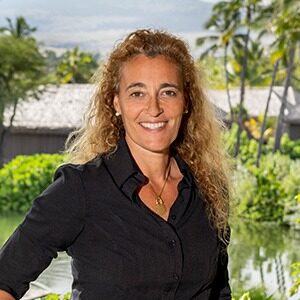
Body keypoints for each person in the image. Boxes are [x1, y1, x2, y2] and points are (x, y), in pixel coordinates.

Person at [0, 29, 231, 300]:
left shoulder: (209, 189)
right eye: (137, 93)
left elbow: (219, 291)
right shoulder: (80, 189)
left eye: (168, 92)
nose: (154, 108)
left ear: (186, 101)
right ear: (116, 102)